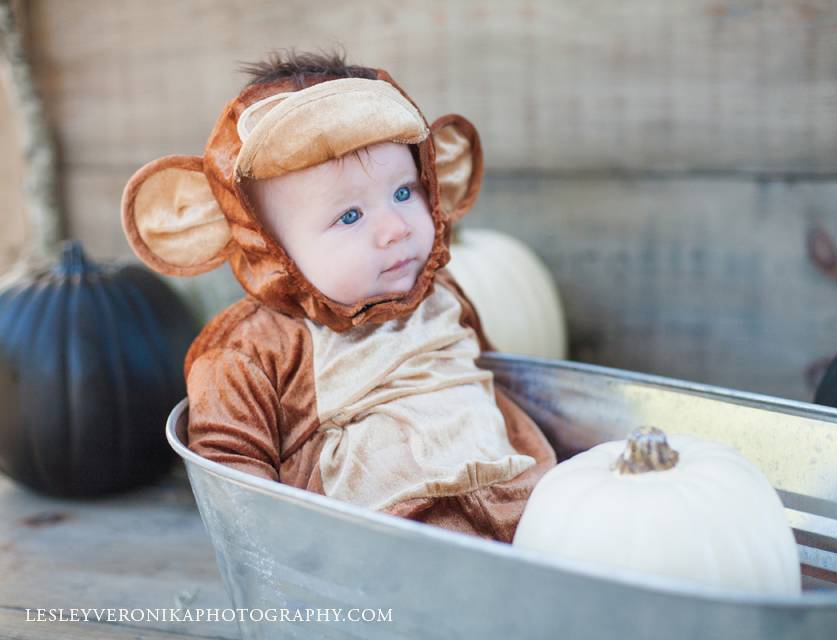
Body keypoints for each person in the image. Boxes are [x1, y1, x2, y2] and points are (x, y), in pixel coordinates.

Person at [120, 50, 556, 542]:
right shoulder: (254, 350)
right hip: (383, 541)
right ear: (269, 246)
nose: (395, 229)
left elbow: (498, 380)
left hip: (524, 504)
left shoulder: (443, 293)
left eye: (404, 192)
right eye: (349, 216)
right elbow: (232, 475)